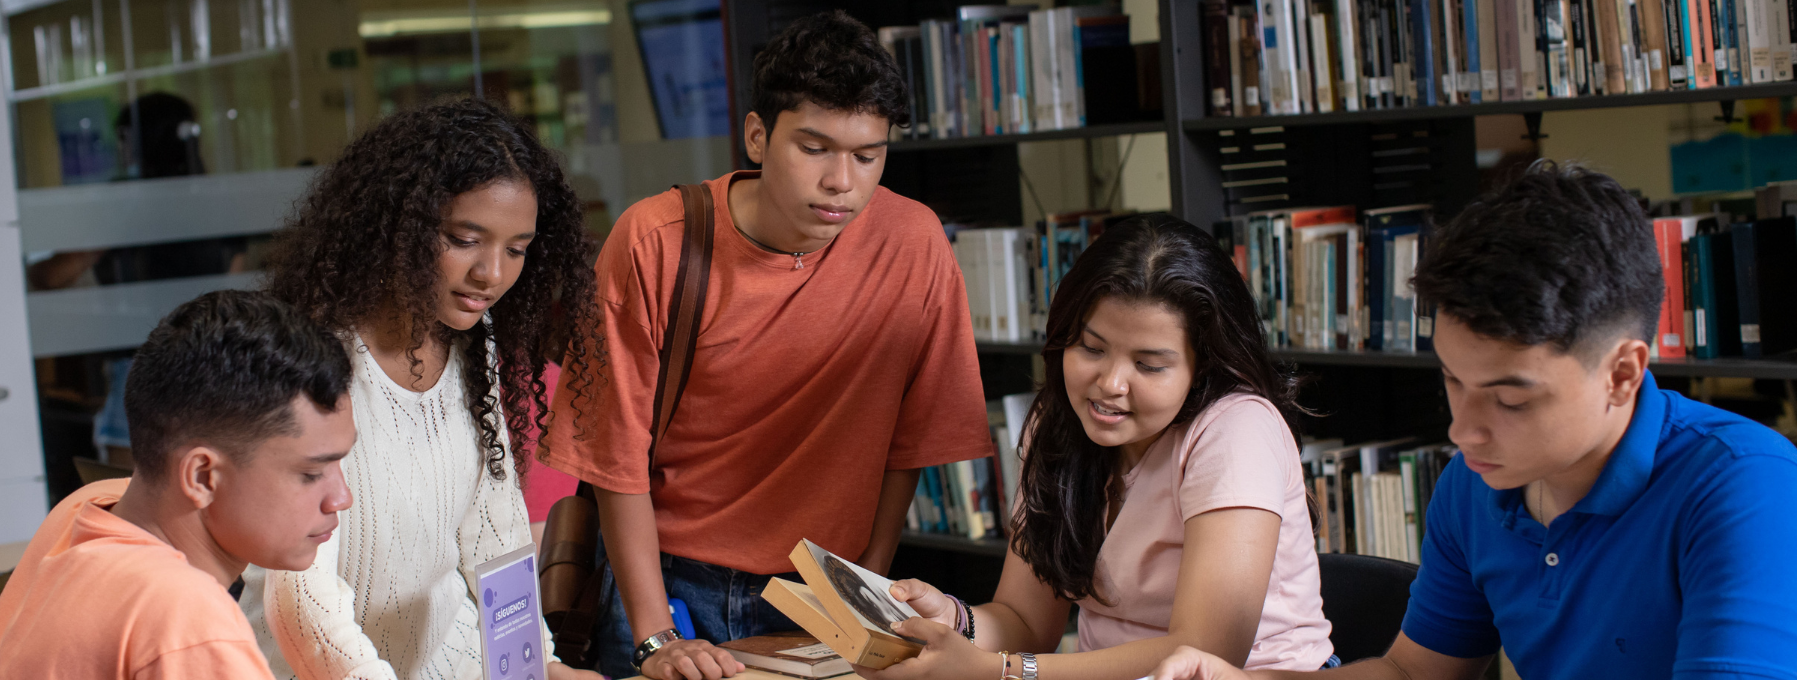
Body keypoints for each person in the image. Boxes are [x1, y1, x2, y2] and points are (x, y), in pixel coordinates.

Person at [1147, 163, 1797, 680]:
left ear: (1622, 375)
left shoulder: (1745, 488)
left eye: (1509, 399)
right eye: (1453, 381)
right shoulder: (1473, 487)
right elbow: (1411, 672)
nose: (1464, 431)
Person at [536, 10, 993, 680]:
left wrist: (864, 585)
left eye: (867, 156)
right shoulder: (656, 241)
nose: (843, 181)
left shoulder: (914, 241)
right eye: (814, 149)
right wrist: (657, 636)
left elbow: (911, 443)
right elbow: (615, 460)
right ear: (757, 135)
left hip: (827, 592)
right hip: (668, 584)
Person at [854, 218, 1333, 680]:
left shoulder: (1237, 429)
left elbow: (1204, 654)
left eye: (1148, 365)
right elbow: (1025, 622)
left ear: (1202, 367)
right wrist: (957, 623)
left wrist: (1001, 671)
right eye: (1092, 348)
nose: (1110, 385)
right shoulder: (1060, 422)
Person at [240, 98, 603, 680]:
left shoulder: (474, 347)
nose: (491, 274)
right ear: (397, 225)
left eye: (516, 250)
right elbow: (300, 596)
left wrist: (538, 667)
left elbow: (494, 539)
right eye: (465, 239)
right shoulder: (309, 359)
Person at [0, 290, 357, 679]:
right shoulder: (187, 622)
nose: (342, 498)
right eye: (310, 474)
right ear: (202, 476)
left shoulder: (85, 510)